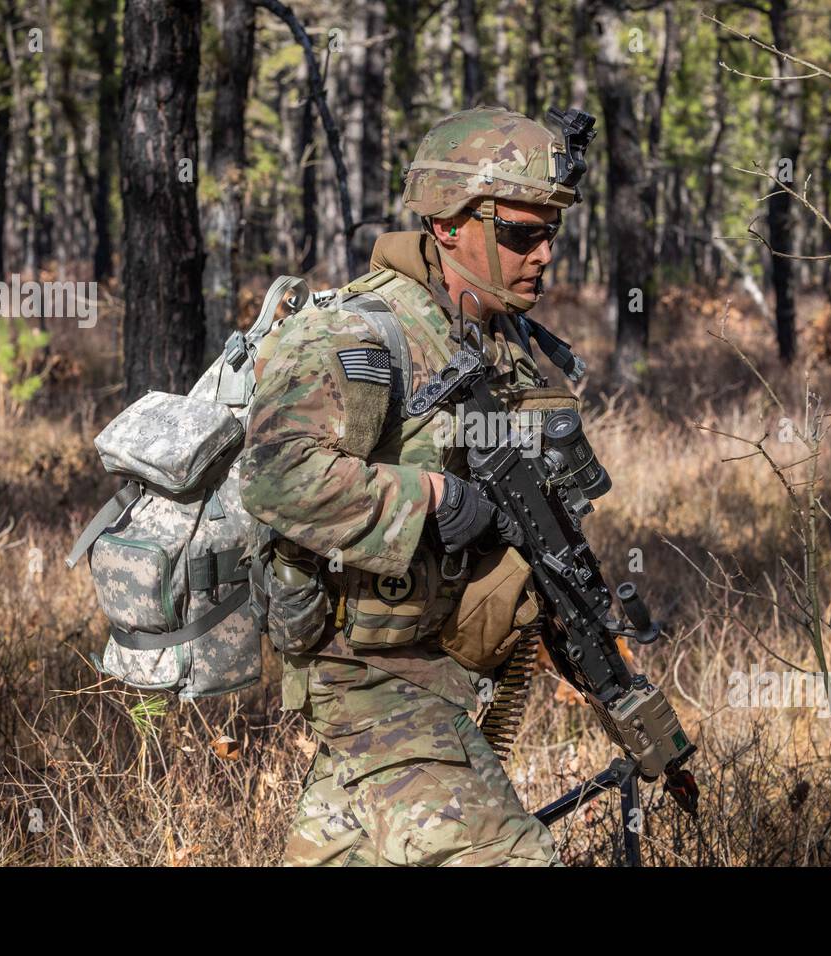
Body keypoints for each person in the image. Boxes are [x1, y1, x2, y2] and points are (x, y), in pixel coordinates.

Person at [240, 106, 591, 866]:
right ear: (447, 225)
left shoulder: (507, 344)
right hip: (368, 674)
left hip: (440, 672)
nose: (543, 256)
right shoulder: (363, 334)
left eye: (550, 235)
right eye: (521, 235)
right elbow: (274, 476)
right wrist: (430, 498)